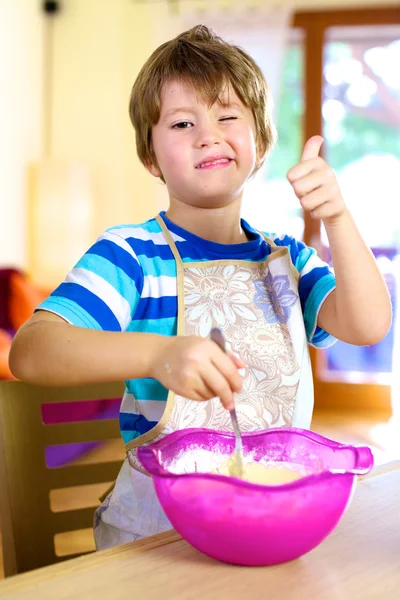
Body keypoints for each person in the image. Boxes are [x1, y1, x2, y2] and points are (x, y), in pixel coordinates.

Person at [9, 25, 391, 549]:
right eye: (183, 122)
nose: (208, 134)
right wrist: (158, 355)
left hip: (270, 518)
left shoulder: (289, 261)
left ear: (260, 141)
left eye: (227, 116)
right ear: (150, 158)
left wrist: (338, 216)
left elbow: (368, 324)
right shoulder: (131, 256)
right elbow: (32, 351)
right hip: (158, 537)